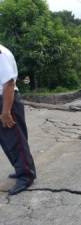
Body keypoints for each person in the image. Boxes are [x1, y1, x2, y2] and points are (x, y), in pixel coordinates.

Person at [0, 44, 36, 195]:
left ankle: (26, 175)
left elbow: (9, 83)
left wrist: (6, 111)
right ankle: (21, 168)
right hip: (4, 100)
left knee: (16, 140)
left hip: (7, 101)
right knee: (8, 141)